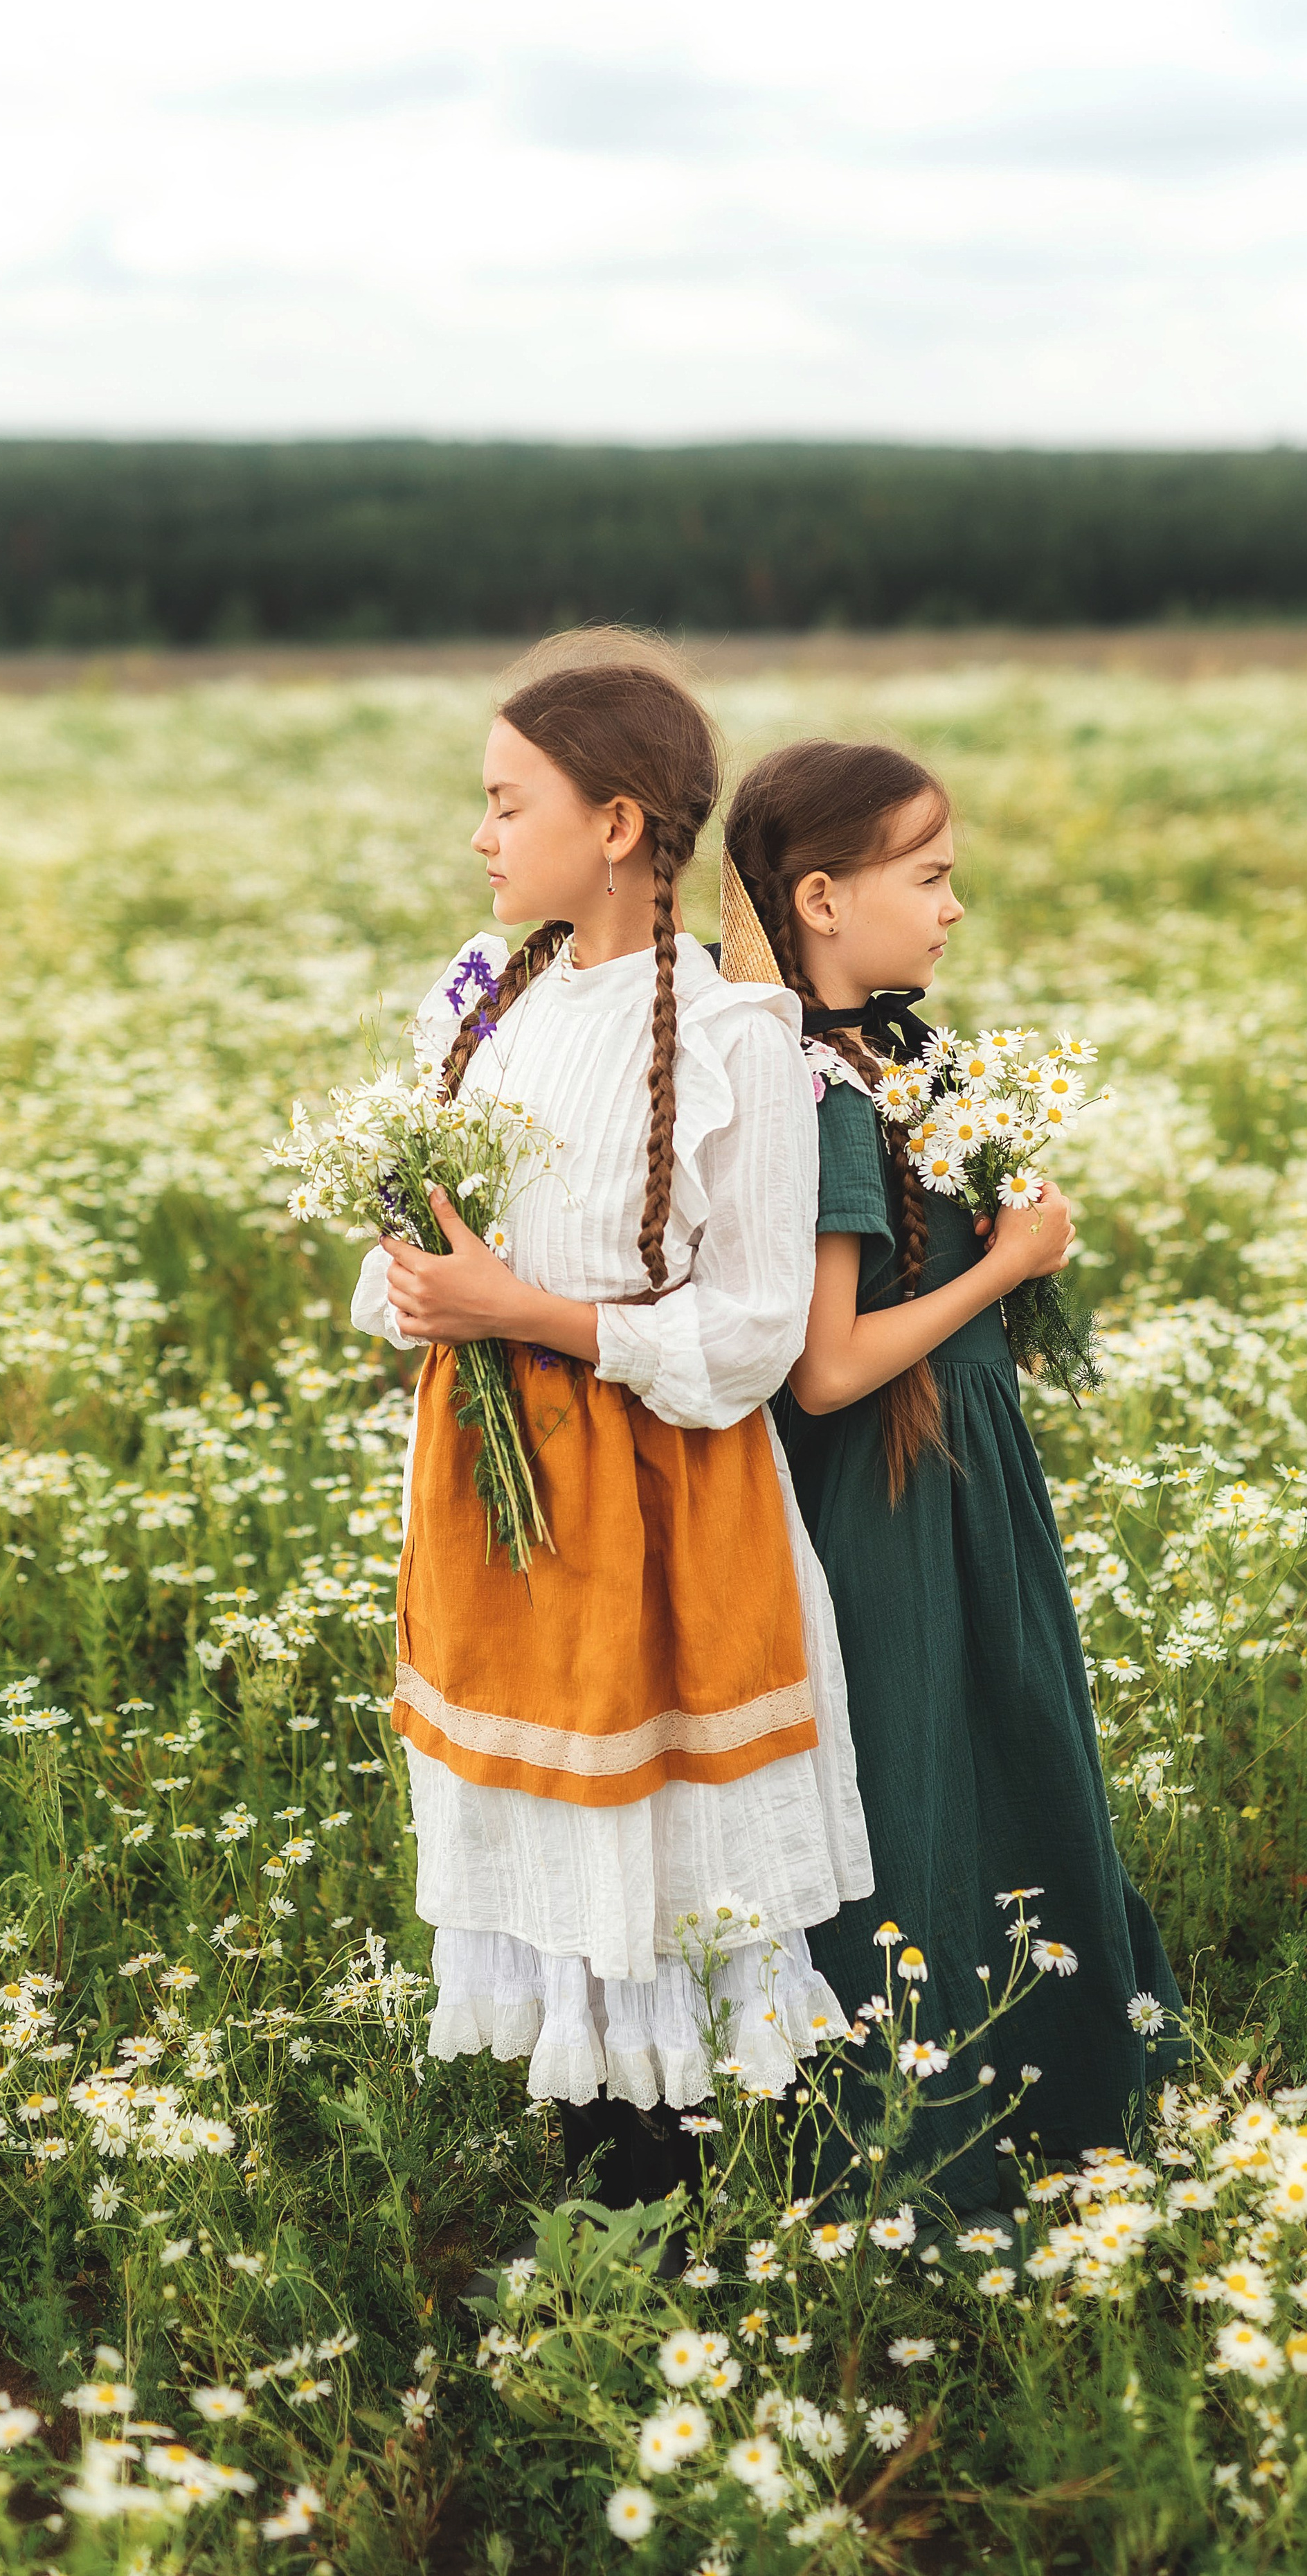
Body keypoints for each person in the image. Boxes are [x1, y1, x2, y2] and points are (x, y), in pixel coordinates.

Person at [351, 645, 871, 2213]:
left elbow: (751, 1334)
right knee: (541, 1845)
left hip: (658, 1501)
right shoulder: (483, 998)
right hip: (490, 1480)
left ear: (622, 822)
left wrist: (532, 1316)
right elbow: (421, 1253)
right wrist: (423, 1293)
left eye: (508, 802)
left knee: (660, 1856)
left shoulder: (732, 1042)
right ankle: (595, 2198)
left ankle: (680, 2213)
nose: (482, 836)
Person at [722, 737, 1184, 2212]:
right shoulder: (818, 1089)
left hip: (959, 1476)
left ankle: (1054, 2068)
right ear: (818, 898)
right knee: (912, 1784)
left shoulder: (899, 1051)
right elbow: (829, 1365)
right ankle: (913, 2128)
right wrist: (1013, 1263)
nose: (952, 906)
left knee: (1011, 1748)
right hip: (885, 1501)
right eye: (926, 877)